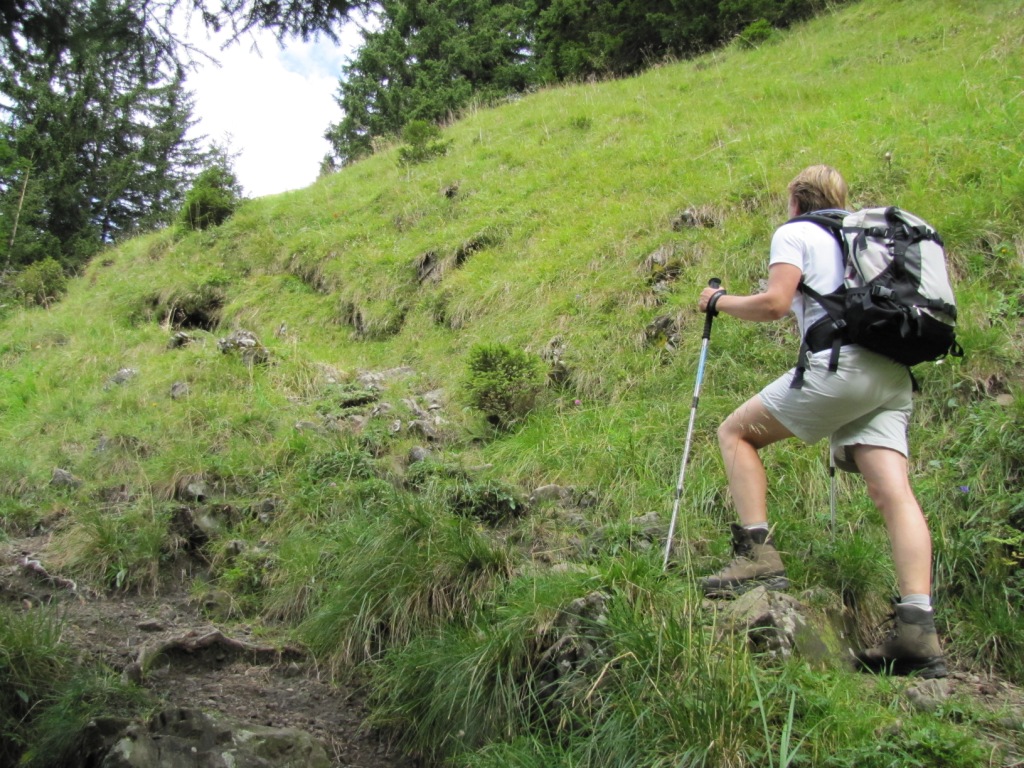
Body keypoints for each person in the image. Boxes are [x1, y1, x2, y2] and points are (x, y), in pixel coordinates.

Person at [696, 165, 947, 679]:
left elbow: (775, 304)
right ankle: (918, 630)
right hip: (891, 373)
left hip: (843, 368)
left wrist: (718, 302)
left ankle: (757, 555)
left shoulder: (795, 232)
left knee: (735, 433)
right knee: (894, 494)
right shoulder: (865, 239)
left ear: (795, 200)